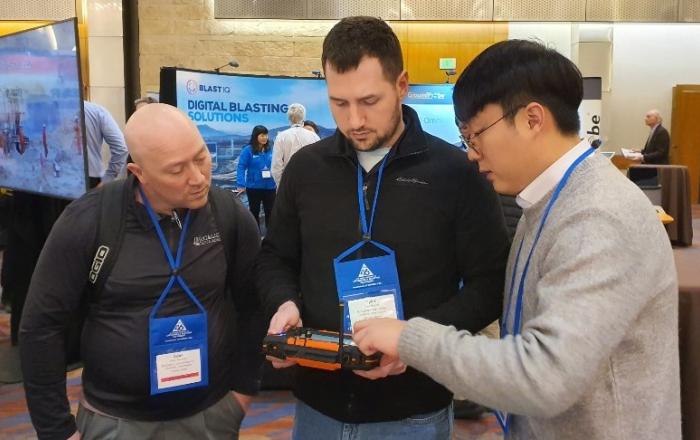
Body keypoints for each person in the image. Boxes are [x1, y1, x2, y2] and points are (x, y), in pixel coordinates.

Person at [352, 39, 681, 439]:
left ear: (532, 119)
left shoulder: (598, 216)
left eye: (475, 134)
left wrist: (410, 338)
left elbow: (545, 375)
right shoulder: (548, 200)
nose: (471, 153)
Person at [257, 16, 509, 439]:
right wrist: (283, 302)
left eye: (369, 101)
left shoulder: (456, 173)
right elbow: (275, 258)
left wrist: (415, 342)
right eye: (339, 103)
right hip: (318, 408)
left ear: (402, 85)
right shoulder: (306, 169)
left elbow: (490, 284)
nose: (354, 119)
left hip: (413, 413)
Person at [20, 104, 264, 440]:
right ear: (139, 172)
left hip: (213, 415)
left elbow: (254, 306)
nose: (197, 178)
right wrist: (57, 431)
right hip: (116, 421)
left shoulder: (228, 216)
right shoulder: (89, 221)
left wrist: (243, 392)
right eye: (176, 170)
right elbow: (41, 327)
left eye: (201, 157)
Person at [236, 125, 276, 230]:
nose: (265, 138)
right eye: (262, 135)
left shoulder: (271, 148)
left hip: (270, 187)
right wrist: (240, 184)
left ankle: (271, 236)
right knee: (254, 213)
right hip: (254, 187)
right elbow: (241, 167)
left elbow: (277, 164)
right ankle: (255, 235)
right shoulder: (248, 150)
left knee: (271, 213)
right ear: (255, 136)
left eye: (266, 135)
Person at [270, 103, 320, 185]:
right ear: (303, 117)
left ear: (288, 118)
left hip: (288, 184)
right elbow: (318, 163)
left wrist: (282, 186)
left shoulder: (281, 137)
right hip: (310, 184)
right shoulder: (314, 136)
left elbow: (276, 167)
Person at [83, 100, 129, 188]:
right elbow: (121, 147)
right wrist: (108, 178)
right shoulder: (96, 111)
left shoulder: (55, 109)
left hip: (58, 177)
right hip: (91, 178)